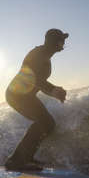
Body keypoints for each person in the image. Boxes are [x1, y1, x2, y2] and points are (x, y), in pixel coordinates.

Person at [5, 28, 68, 170]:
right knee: (44, 121)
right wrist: (53, 90)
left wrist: (54, 91)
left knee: (49, 124)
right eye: (61, 40)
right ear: (53, 41)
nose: (63, 43)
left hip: (26, 96)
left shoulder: (45, 56)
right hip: (17, 95)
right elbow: (35, 79)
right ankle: (16, 161)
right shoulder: (37, 55)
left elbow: (39, 82)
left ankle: (26, 157)